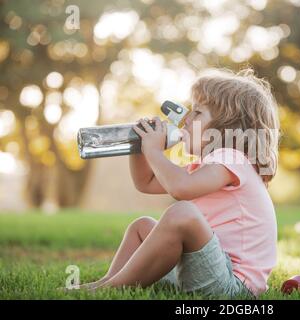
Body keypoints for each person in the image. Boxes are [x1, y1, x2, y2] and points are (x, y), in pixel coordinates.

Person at [80, 68, 280, 298]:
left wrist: (154, 151)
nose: (185, 119)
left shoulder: (232, 159)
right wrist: (140, 147)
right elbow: (146, 182)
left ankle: (109, 289)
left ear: (226, 128)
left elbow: (180, 188)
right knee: (142, 226)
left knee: (182, 213)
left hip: (233, 286)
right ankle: (109, 284)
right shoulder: (208, 169)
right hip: (207, 268)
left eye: (197, 113)